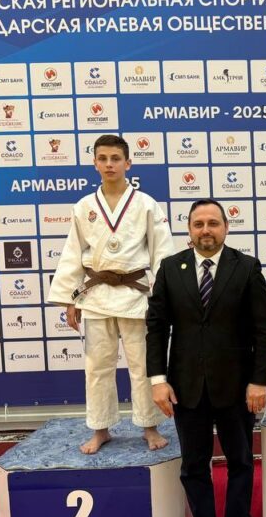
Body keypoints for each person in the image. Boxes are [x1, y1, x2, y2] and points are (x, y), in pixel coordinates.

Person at [146, 199, 266, 517]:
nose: (206, 230)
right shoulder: (171, 268)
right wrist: (158, 380)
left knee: (240, 462)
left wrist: (258, 381)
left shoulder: (246, 267)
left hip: (237, 387)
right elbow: (156, 328)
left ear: (225, 228)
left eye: (213, 223)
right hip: (186, 387)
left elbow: (263, 329)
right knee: (193, 465)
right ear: (189, 229)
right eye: (198, 223)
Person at [47, 134, 174, 454]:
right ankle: (100, 428)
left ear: (127, 163)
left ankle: (149, 425)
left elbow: (162, 253)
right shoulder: (84, 207)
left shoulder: (146, 204)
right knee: (97, 367)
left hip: (136, 294)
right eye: (102, 159)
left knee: (143, 365)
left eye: (115, 159)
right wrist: (70, 298)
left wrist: (164, 297)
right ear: (94, 164)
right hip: (97, 295)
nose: (109, 164)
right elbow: (73, 252)